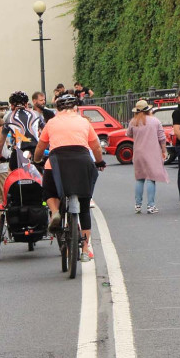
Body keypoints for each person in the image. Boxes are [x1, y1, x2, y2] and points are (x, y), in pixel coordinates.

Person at [35, 94, 105, 261]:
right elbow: (95, 145)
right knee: (85, 205)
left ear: (57, 108)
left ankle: (55, 212)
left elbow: (41, 146)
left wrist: (36, 159)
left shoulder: (51, 123)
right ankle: (86, 249)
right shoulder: (84, 122)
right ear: (76, 108)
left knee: (49, 191)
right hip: (82, 162)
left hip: (57, 164)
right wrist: (99, 161)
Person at [126, 99, 167, 213]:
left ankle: (138, 205)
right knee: (151, 179)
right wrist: (164, 150)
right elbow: (162, 138)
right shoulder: (155, 121)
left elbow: (128, 134)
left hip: (138, 152)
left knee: (139, 179)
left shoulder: (133, 122)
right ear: (148, 110)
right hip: (152, 152)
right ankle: (151, 205)